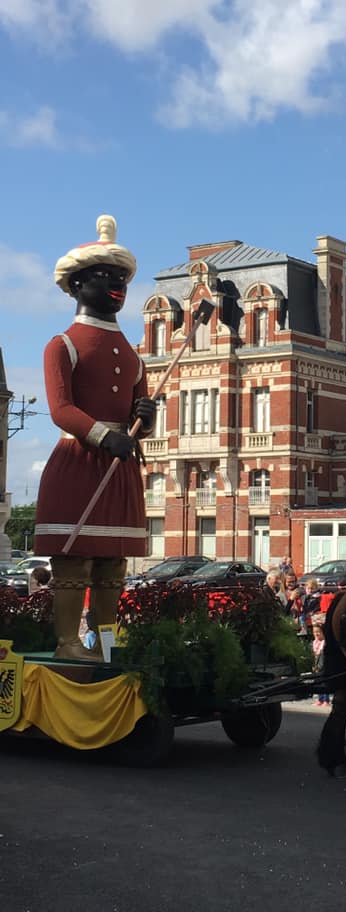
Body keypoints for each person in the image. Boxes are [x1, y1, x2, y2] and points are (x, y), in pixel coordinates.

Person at [34, 215, 156, 661]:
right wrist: (106, 436)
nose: (116, 285)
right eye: (105, 276)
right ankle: (69, 643)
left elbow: (139, 415)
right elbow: (61, 410)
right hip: (80, 463)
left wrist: (145, 418)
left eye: (120, 277)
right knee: (75, 561)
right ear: (79, 284)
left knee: (111, 566)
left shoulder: (132, 353)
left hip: (119, 468)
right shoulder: (61, 344)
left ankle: (106, 645)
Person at [312, 622, 330, 706]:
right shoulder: (315, 643)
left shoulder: (324, 643)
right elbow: (315, 656)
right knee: (318, 682)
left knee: (324, 683)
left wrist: (319, 667)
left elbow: (323, 657)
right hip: (316, 666)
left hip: (323, 666)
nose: (316, 634)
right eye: (315, 632)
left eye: (318, 632)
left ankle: (326, 700)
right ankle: (320, 699)